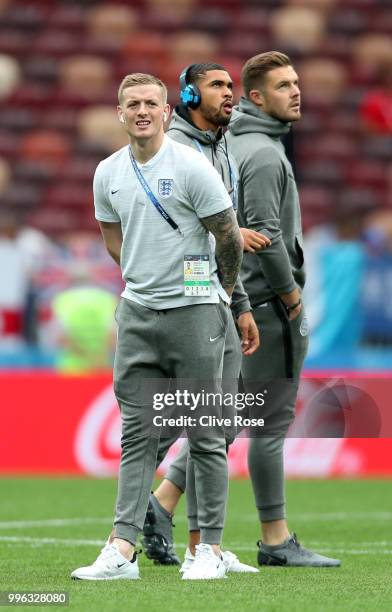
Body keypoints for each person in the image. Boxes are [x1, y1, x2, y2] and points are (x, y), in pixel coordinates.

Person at [71, 72, 244, 581]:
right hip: (139, 313)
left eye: (151, 102)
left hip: (195, 312)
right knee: (136, 435)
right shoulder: (107, 173)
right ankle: (121, 551)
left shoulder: (191, 167)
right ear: (120, 114)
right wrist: (144, 279)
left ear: (167, 113)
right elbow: (112, 238)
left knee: (206, 432)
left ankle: (207, 549)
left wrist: (222, 294)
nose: (142, 110)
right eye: (132, 104)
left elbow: (228, 237)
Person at [141, 63, 265, 572]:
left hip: (217, 290)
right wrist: (231, 235)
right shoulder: (177, 151)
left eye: (232, 87)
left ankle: (184, 529)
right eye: (218, 86)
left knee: (220, 418)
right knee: (201, 418)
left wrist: (238, 304)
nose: (229, 95)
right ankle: (141, 526)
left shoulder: (222, 150)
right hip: (185, 294)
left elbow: (223, 234)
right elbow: (194, 231)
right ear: (189, 94)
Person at [226, 51, 341, 567]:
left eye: (297, 82)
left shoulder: (234, 142)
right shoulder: (267, 154)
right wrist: (291, 295)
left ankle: (160, 504)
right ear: (256, 97)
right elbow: (266, 236)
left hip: (242, 299)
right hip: (269, 304)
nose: (296, 91)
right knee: (269, 425)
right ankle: (275, 540)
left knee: (232, 414)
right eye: (282, 85)